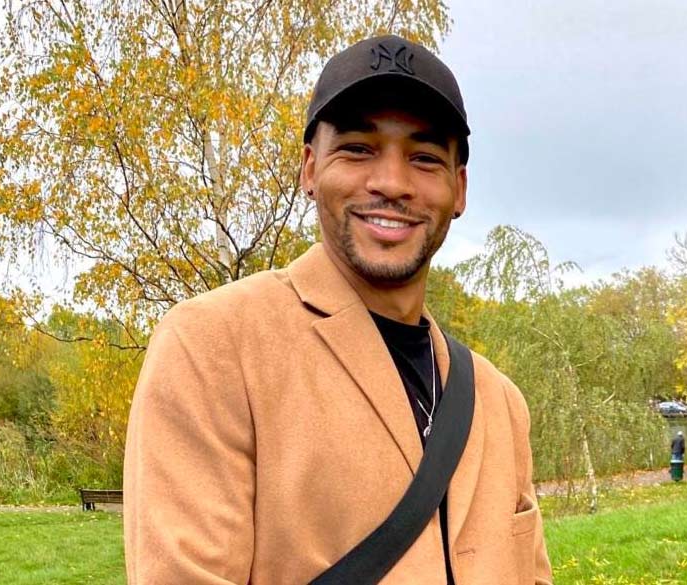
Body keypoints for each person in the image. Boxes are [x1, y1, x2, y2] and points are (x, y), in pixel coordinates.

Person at [123, 34, 553, 584]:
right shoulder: (211, 347)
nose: (392, 183)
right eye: (357, 149)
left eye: (423, 158)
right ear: (309, 168)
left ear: (458, 188)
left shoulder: (500, 403)